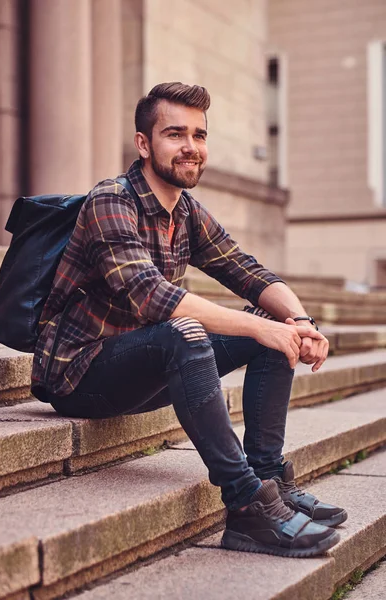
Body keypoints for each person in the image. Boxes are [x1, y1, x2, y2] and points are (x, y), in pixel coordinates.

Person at [31, 82, 346, 558]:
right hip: (79, 374)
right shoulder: (111, 201)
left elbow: (248, 271)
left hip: (145, 363)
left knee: (270, 324)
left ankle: (267, 479)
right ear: (143, 144)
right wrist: (260, 327)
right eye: (175, 133)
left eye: (199, 135)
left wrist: (299, 321)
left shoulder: (187, 212)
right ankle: (246, 506)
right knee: (195, 330)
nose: (190, 147)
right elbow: (151, 296)